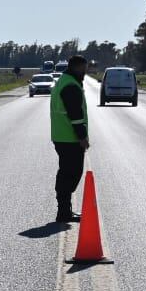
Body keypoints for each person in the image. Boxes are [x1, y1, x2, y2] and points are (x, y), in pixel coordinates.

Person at [50, 54, 90, 223]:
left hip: (61, 136)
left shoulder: (64, 81)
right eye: (84, 69)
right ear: (78, 67)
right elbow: (75, 115)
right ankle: (63, 211)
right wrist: (82, 136)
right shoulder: (71, 85)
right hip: (69, 138)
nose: (85, 72)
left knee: (66, 172)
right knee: (71, 173)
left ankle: (65, 210)